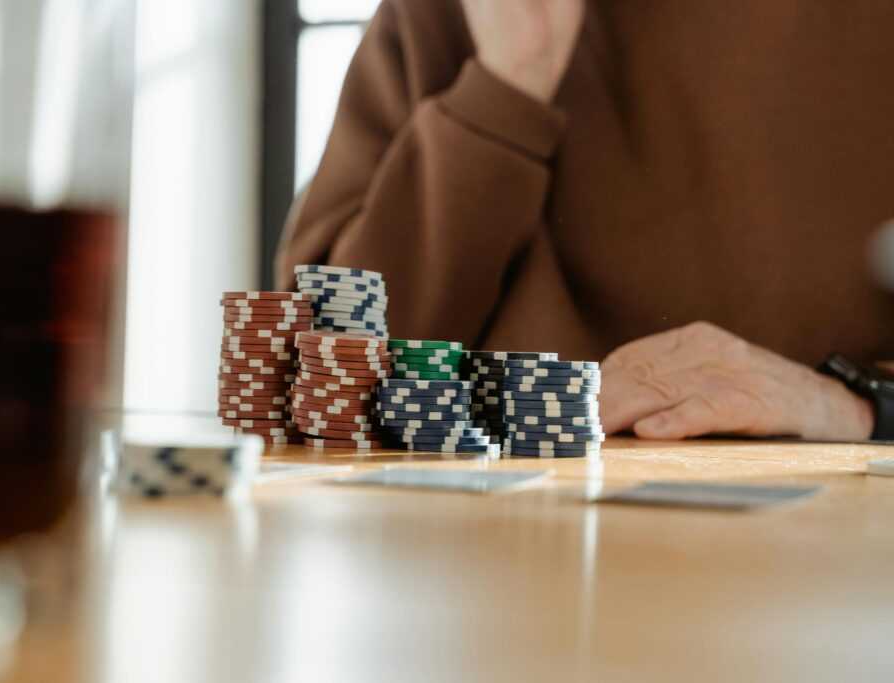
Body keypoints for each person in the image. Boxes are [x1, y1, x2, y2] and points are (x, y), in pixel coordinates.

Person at [275, 0, 894, 441]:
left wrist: (858, 405)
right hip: (497, 561)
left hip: (837, 562)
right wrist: (503, 90)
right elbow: (316, 367)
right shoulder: (440, 14)